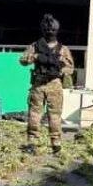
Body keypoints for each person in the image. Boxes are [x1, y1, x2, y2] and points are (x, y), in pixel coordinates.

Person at [19, 14, 75, 155]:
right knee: (53, 115)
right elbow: (70, 68)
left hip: (40, 84)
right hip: (53, 84)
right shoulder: (62, 49)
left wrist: (36, 57)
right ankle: (55, 143)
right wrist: (59, 69)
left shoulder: (36, 46)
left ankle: (33, 142)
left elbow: (23, 60)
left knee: (35, 113)